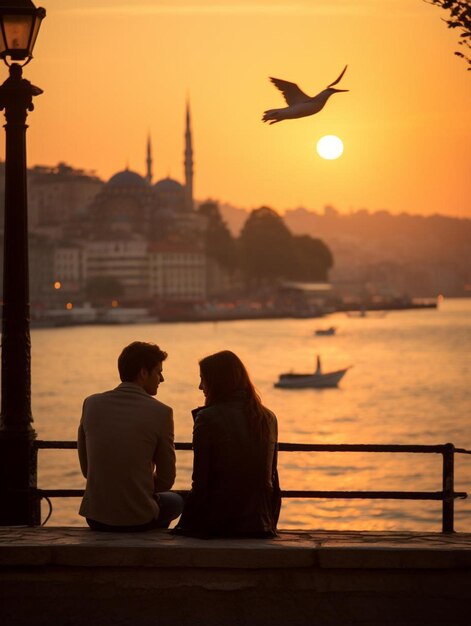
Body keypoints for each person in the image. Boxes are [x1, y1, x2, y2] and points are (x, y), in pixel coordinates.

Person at [77, 341, 183, 531]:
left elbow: (87, 470)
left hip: (95, 517)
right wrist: (141, 490)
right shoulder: (161, 412)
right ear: (143, 373)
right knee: (176, 502)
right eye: (158, 372)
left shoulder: (91, 404)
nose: (162, 379)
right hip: (138, 518)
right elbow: (167, 479)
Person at [175, 350, 281, 538]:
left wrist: (184, 524)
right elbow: (270, 475)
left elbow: (200, 481)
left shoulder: (207, 417)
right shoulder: (268, 417)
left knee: (170, 501)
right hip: (261, 523)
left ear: (216, 382)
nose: (200, 386)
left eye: (203, 379)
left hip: (220, 523)